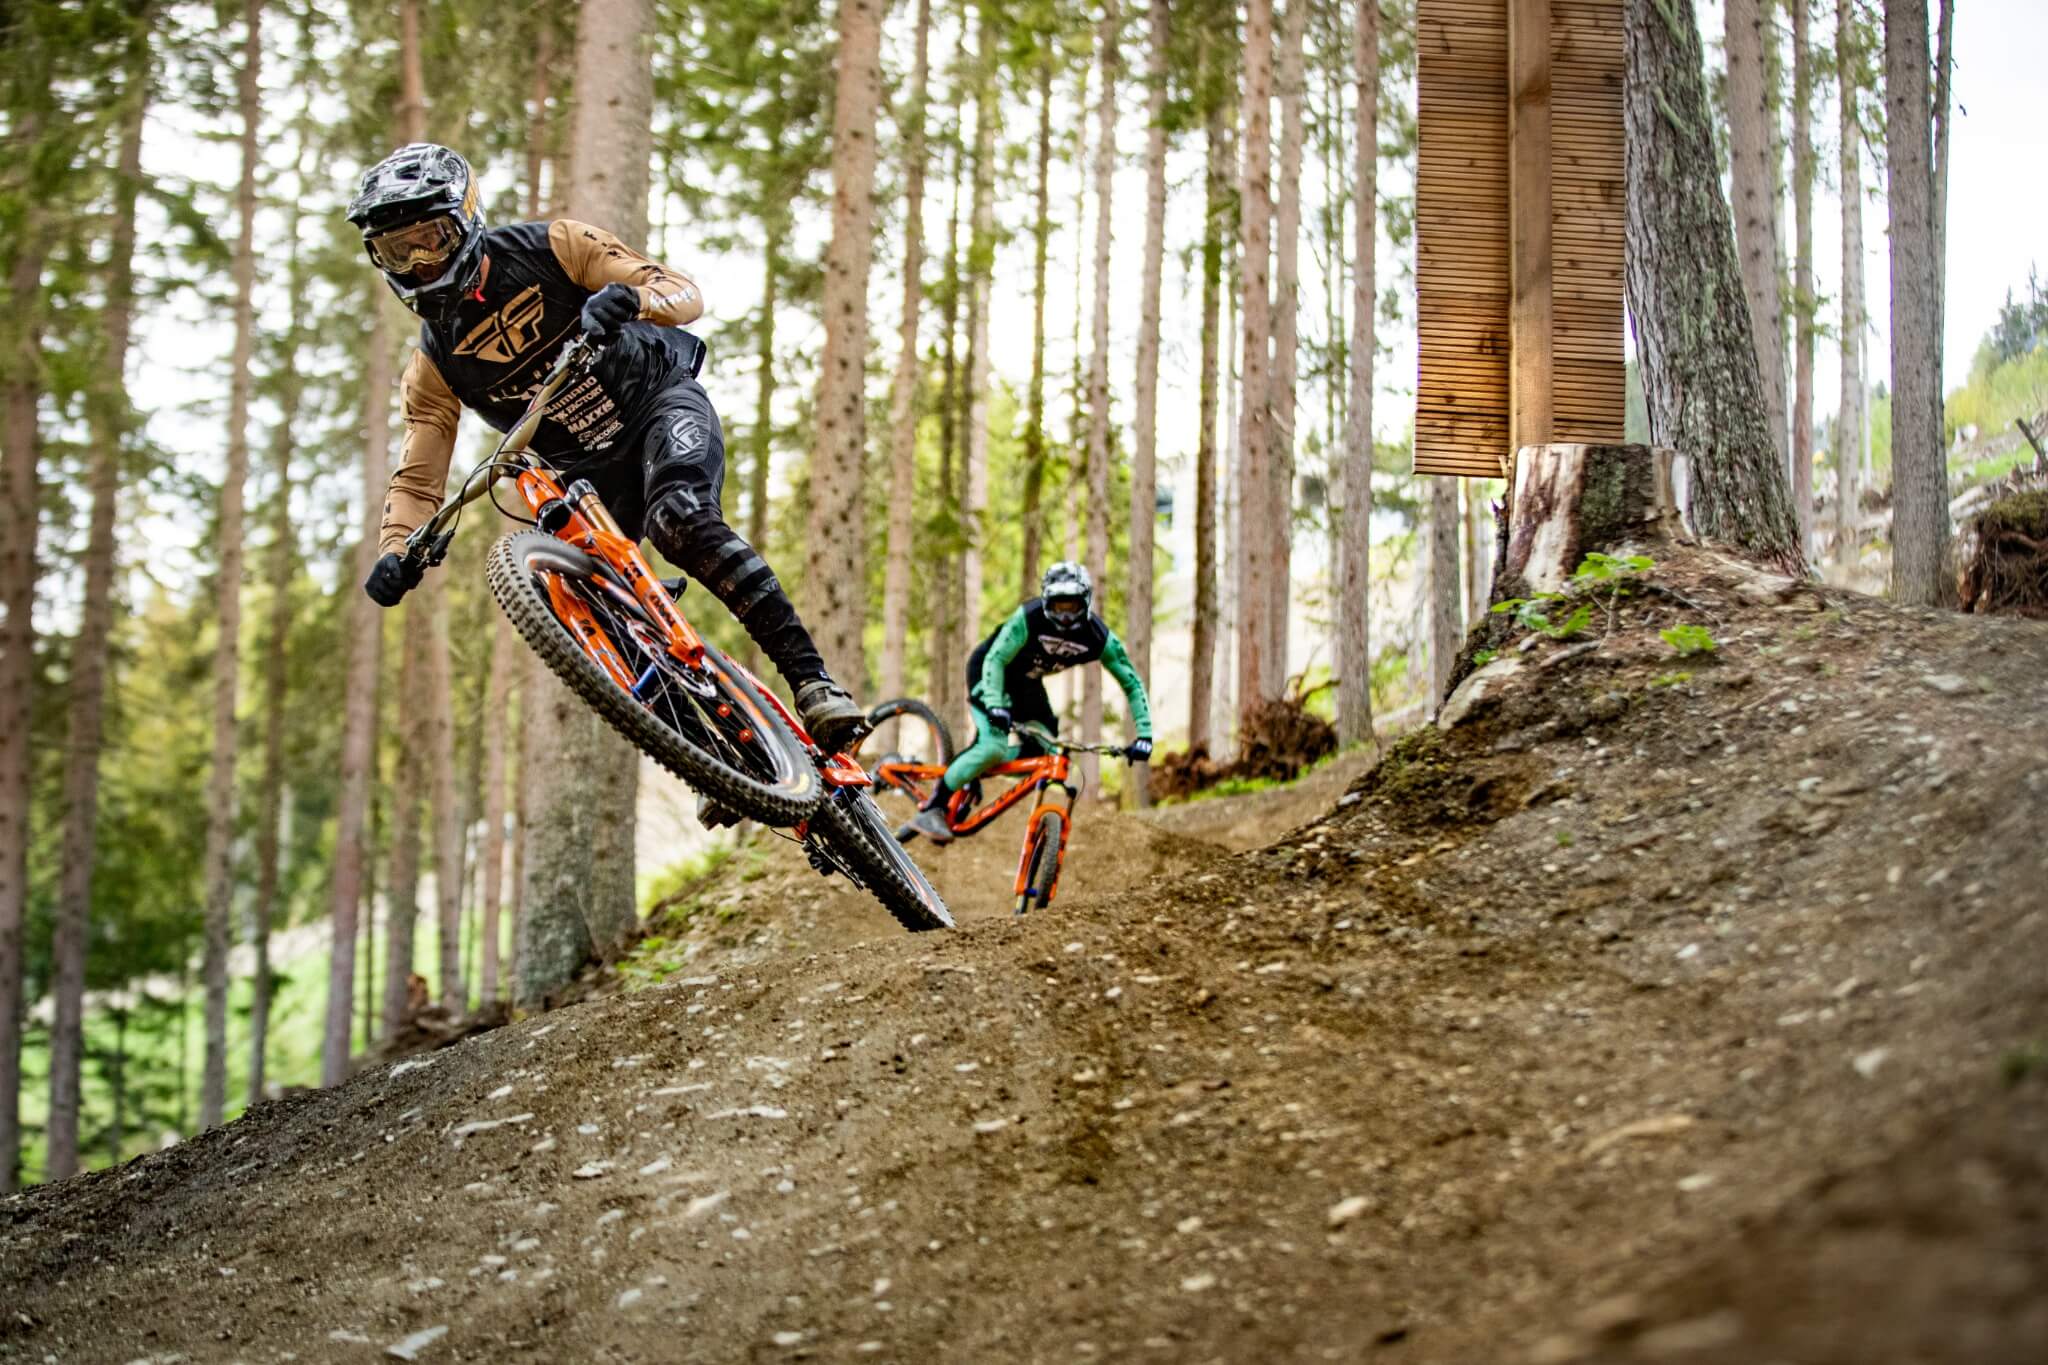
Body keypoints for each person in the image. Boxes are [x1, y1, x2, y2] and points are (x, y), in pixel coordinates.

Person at [346, 142, 868, 752]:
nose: (417, 263)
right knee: (574, 603)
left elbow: (680, 291)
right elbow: (417, 479)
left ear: (465, 220)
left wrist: (631, 299)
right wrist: (396, 550)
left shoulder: (555, 247)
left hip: (656, 406)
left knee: (681, 522)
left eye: (428, 239)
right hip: (584, 474)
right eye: (394, 251)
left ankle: (815, 685)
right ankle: (716, 758)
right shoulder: (432, 363)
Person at [902, 562, 1152, 844]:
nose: (1066, 615)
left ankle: (975, 768)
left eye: (1072, 606)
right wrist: (995, 704)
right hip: (990, 671)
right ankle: (935, 806)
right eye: (1059, 606)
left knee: (1046, 750)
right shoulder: (1029, 617)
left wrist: (1144, 735)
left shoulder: (1098, 637)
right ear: (1046, 602)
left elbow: (1131, 683)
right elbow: (996, 659)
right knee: (992, 745)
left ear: (1086, 602)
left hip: (1027, 683)